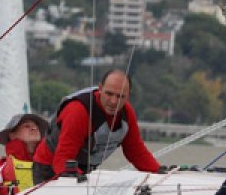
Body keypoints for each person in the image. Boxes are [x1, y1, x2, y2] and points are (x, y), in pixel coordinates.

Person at [32, 69, 160, 183]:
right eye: (109, 94)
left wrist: (158, 171)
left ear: (128, 96)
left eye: (120, 96)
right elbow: (63, 159)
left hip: (84, 168)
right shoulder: (78, 111)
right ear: (100, 89)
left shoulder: (127, 113)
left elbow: (136, 151)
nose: (114, 101)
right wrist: (82, 181)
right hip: (49, 167)